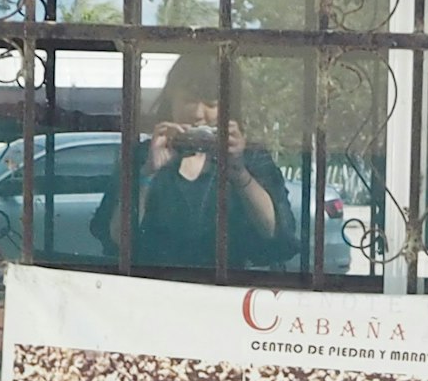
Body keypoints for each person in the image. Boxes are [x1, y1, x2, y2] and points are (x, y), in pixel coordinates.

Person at [91, 52, 303, 273]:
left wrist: (239, 173)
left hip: (228, 288)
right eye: (188, 100)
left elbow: (276, 232)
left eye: (211, 103)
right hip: (153, 287)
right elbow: (116, 238)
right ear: (171, 100)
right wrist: (148, 173)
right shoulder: (143, 156)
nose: (198, 114)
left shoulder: (250, 158)